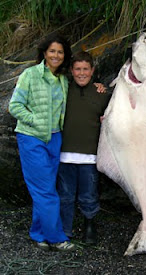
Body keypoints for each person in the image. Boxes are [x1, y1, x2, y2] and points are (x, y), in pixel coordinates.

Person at [8, 33, 76, 252]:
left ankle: (38, 233)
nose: (56, 55)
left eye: (60, 52)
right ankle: (56, 238)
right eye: (52, 51)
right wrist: (36, 121)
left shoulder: (64, 78)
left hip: (55, 138)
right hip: (31, 137)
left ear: (64, 56)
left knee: (43, 188)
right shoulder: (30, 74)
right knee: (45, 190)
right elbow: (15, 106)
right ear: (44, 53)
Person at [56, 51, 111, 245]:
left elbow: (113, 116)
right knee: (65, 195)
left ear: (92, 71)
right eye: (77, 69)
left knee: (89, 194)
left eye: (85, 69)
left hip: (90, 156)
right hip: (64, 155)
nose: (81, 73)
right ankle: (65, 230)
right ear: (71, 71)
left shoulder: (101, 94)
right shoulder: (64, 90)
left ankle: (89, 225)